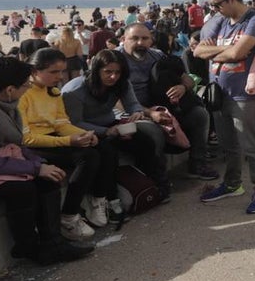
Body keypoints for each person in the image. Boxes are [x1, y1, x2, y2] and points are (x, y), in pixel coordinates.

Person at [0, 57, 93, 265]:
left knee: (49, 178)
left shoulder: (4, 104)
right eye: (25, 85)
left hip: (2, 159)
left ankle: (54, 245)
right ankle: (29, 247)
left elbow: (19, 145)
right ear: (9, 89)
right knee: (23, 189)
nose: (27, 89)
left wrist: (39, 164)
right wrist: (35, 168)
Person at [195, 0, 255, 214]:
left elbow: (239, 52)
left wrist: (218, 53)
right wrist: (225, 53)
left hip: (244, 94)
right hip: (219, 93)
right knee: (228, 144)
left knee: (250, 145)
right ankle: (232, 183)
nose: (214, 10)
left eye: (217, 4)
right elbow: (199, 50)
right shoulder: (220, 21)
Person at [19, 49, 115, 238]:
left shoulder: (53, 92)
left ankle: (98, 199)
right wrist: (69, 140)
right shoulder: (24, 95)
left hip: (54, 138)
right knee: (87, 157)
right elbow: (26, 138)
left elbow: (62, 124)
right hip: (34, 146)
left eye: (61, 72)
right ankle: (69, 215)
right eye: (54, 72)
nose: (60, 77)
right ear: (34, 71)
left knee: (104, 147)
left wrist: (85, 134)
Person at [62, 49, 172, 202]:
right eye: (108, 72)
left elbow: (132, 104)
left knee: (145, 141)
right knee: (107, 153)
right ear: (96, 70)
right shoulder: (75, 91)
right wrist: (107, 132)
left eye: (117, 72)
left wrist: (137, 113)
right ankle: (110, 199)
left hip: (111, 123)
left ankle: (156, 185)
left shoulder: (121, 83)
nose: (113, 77)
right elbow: (75, 122)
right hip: (84, 131)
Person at [121, 23, 217, 181]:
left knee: (200, 114)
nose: (140, 43)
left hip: (164, 106)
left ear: (151, 40)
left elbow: (188, 80)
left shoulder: (157, 55)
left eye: (145, 38)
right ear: (124, 39)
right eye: (134, 38)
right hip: (135, 112)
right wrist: (150, 113)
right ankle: (157, 180)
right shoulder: (117, 60)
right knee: (154, 133)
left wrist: (182, 87)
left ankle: (198, 164)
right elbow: (116, 101)